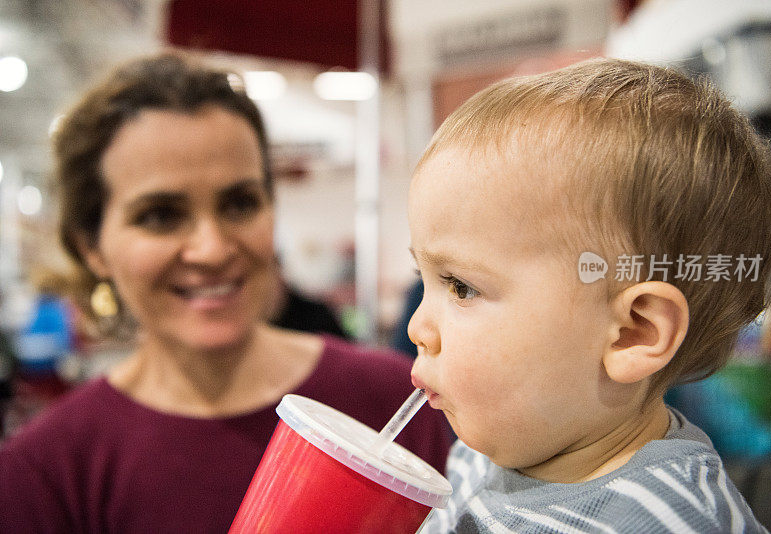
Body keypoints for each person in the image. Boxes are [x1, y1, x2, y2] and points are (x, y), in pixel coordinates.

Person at [0, 52, 452, 533]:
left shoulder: (393, 401)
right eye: (160, 215)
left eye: (240, 203)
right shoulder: (44, 473)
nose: (213, 250)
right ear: (91, 246)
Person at [408, 58, 771, 533]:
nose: (416, 327)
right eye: (423, 276)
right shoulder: (489, 450)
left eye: (461, 286)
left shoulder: (658, 521)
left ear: (632, 333)